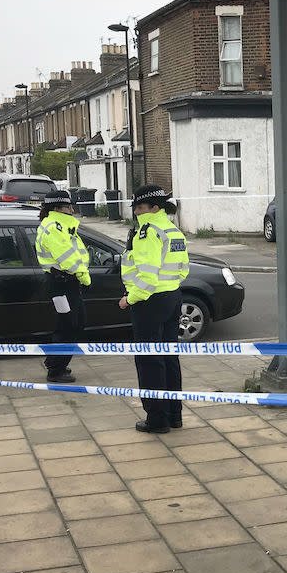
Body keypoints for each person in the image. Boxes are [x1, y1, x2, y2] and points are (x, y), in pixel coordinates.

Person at [119, 185, 190, 433]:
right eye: (135, 208)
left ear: (154, 208)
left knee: (149, 361)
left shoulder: (147, 233)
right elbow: (183, 270)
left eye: (140, 207)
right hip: (172, 297)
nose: (137, 212)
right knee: (169, 357)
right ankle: (174, 415)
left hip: (149, 302)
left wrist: (130, 298)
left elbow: (147, 276)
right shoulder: (173, 230)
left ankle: (156, 419)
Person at [35, 190, 90, 383]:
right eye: (68, 206)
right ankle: (55, 370)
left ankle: (56, 362)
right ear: (57, 208)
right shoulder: (54, 228)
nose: (72, 209)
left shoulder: (63, 226)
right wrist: (83, 275)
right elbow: (66, 258)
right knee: (68, 326)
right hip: (60, 285)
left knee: (76, 323)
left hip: (69, 283)